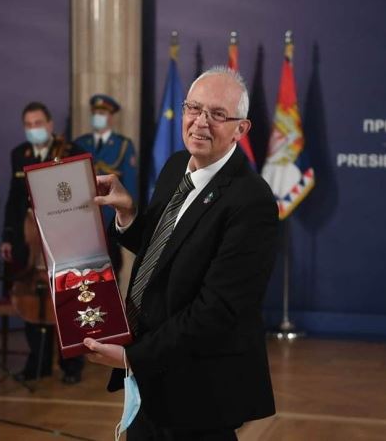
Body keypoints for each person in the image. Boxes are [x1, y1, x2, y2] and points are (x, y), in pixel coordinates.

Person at [85, 67, 278, 440]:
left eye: (217, 114)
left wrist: (132, 357)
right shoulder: (176, 165)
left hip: (200, 390)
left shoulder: (252, 201)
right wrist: (128, 214)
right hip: (151, 380)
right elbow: (165, 253)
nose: (200, 122)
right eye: (194, 108)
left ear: (241, 129)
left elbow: (217, 310)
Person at [0, 102, 85, 384]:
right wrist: (8, 236)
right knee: (33, 295)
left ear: (50, 125)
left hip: (64, 237)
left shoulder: (70, 151)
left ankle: (71, 364)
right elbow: (14, 199)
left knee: (67, 301)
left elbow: (79, 192)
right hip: (30, 239)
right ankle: (38, 362)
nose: (33, 129)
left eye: (38, 123)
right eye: (28, 125)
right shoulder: (19, 154)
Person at [73, 94, 138, 274]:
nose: (98, 117)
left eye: (102, 113)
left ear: (111, 117)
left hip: (110, 220)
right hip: (83, 220)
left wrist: (127, 219)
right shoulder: (79, 143)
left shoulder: (123, 145)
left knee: (110, 273)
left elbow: (130, 187)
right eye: (95, 113)